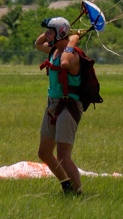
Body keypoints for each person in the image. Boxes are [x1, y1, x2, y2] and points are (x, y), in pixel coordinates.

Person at [35, 17, 85, 196]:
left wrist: (73, 39)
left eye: (50, 31)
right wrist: (54, 32)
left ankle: (78, 193)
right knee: (44, 152)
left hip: (68, 106)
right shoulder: (54, 50)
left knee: (63, 156)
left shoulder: (72, 54)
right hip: (53, 104)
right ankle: (66, 185)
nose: (46, 35)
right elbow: (38, 43)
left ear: (60, 34)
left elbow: (64, 63)